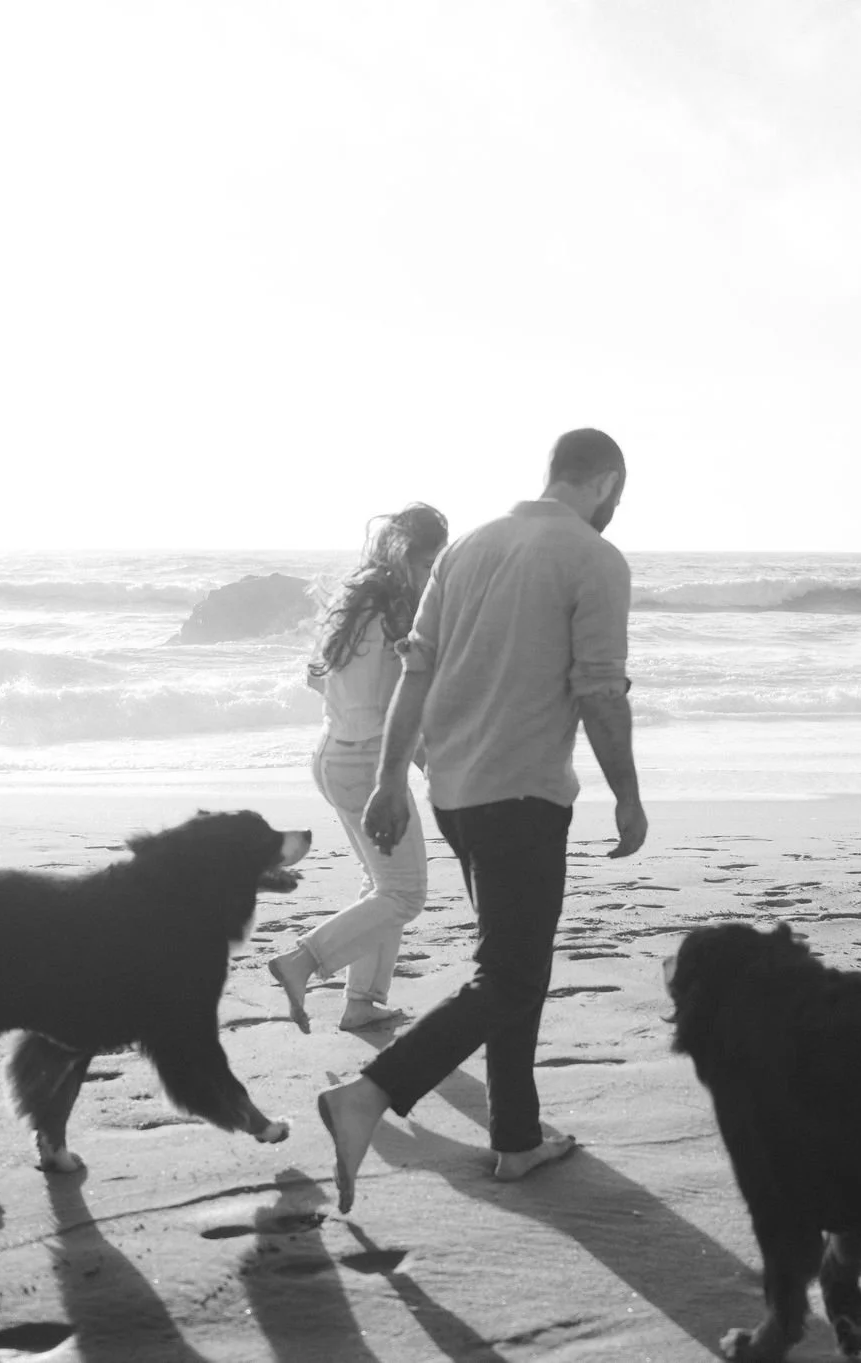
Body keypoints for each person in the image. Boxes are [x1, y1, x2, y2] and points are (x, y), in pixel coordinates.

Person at [315, 428, 646, 1211]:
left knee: (510, 966)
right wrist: (628, 794)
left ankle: (516, 1138)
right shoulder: (595, 559)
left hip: (455, 792)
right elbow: (599, 690)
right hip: (523, 793)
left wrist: (394, 777)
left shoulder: (466, 548)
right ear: (604, 482)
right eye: (619, 495)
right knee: (513, 975)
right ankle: (370, 1091)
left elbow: (416, 671)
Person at [270, 503, 450, 1034]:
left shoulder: (353, 599)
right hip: (367, 764)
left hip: (331, 755)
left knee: (382, 886)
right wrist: (430, 766)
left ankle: (363, 1002)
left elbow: (317, 679)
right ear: (403, 556)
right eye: (427, 563)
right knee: (403, 894)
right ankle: (302, 962)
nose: (432, 574)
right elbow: (405, 702)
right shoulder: (400, 610)